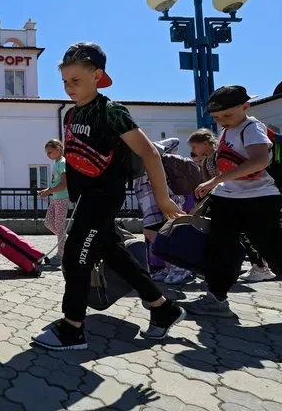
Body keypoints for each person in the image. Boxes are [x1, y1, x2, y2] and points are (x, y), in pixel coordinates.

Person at [31, 42, 186, 351]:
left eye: (75, 80)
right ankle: (162, 308)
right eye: (64, 81)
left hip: (104, 196)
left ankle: (72, 328)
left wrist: (163, 200)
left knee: (76, 258)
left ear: (97, 75)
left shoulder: (111, 111)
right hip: (86, 197)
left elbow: (150, 154)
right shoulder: (71, 114)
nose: (69, 88)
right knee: (115, 255)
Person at [187, 85, 282, 316]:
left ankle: (217, 297)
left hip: (258, 199)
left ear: (245, 107)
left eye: (227, 115)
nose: (222, 121)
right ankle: (216, 298)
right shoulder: (229, 130)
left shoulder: (252, 128)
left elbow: (259, 161)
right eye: (217, 117)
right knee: (220, 249)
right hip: (229, 197)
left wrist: (215, 181)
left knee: (273, 249)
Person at [188, 128, 276, 282]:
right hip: (234, 198)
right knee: (241, 234)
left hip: (228, 200)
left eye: (194, 147)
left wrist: (203, 204)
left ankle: (259, 267)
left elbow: (221, 181)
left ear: (204, 143)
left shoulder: (213, 158)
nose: (193, 151)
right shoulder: (216, 156)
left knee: (236, 234)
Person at [135, 138, 192, 285]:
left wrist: (154, 150)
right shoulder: (131, 158)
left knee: (162, 231)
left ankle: (181, 266)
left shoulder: (149, 151)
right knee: (155, 232)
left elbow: (174, 141)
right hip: (148, 200)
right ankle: (170, 267)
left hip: (163, 197)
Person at [38, 139, 70, 262]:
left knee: (59, 226)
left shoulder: (62, 162)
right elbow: (55, 183)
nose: (48, 155)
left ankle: (61, 253)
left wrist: (48, 192)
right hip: (56, 197)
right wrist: (46, 190)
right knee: (49, 223)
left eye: (50, 152)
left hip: (62, 197)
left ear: (58, 149)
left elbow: (64, 184)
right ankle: (65, 240)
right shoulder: (56, 163)